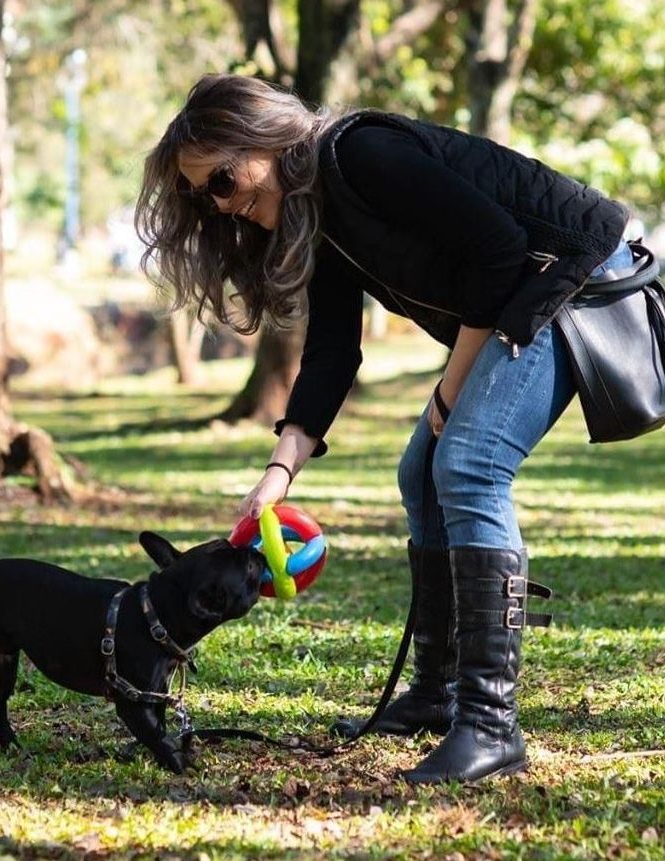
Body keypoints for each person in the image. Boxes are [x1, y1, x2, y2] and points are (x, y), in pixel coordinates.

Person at [134, 74, 634, 784]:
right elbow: (334, 346)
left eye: (222, 178)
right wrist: (278, 472)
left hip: (575, 278)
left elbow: (498, 249)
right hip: (524, 288)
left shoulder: (360, 155)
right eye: (202, 194)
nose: (220, 203)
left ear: (265, 140)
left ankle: (490, 723)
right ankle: (435, 691)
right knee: (419, 471)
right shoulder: (319, 214)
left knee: (466, 463)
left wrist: (449, 390)